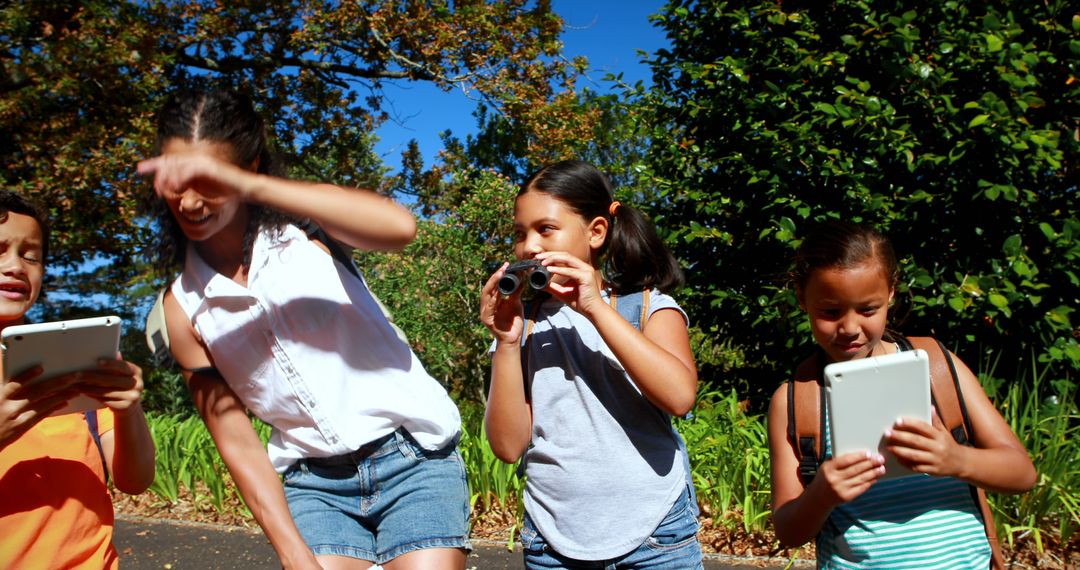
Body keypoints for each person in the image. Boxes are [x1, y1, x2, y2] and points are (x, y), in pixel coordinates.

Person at [137, 89, 469, 570]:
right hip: (312, 483)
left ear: (248, 168)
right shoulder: (181, 307)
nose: (189, 201)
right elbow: (235, 439)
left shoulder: (308, 228)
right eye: (175, 180)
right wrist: (293, 553)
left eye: (209, 180)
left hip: (412, 457)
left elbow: (400, 228)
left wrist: (251, 187)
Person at [767, 221, 1037, 568]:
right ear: (802, 298)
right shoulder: (796, 401)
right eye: (830, 312)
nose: (850, 328)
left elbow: (1023, 473)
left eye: (868, 309)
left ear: (891, 293)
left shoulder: (937, 368)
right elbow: (788, 533)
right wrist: (821, 494)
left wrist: (957, 460)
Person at [480, 159, 703, 569]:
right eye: (519, 233)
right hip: (553, 542)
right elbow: (508, 446)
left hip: (656, 534)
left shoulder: (647, 306)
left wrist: (593, 308)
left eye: (545, 229)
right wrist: (507, 342)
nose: (529, 246)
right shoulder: (523, 325)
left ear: (596, 231)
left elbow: (680, 397)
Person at [0, 189, 155, 569]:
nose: (16, 266)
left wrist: (128, 409)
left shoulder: (70, 360)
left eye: (31, 255)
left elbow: (135, 481)